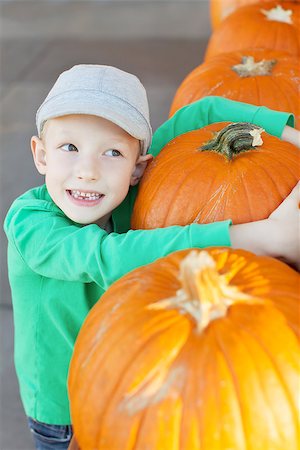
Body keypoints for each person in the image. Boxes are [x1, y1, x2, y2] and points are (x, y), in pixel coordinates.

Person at [3, 64, 299, 450]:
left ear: (138, 170)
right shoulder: (30, 224)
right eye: (69, 148)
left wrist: (291, 136)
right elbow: (107, 257)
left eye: (112, 152)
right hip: (63, 411)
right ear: (40, 155)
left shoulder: (126, 197)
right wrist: (256, 237)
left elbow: (201, 113)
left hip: (126, 379)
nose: (88, 171)